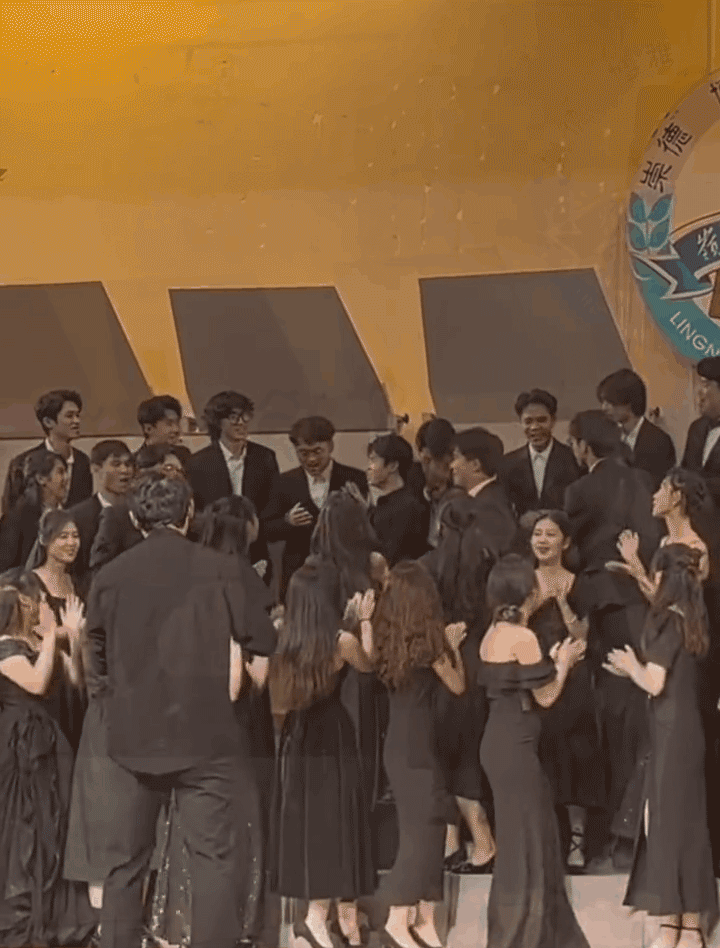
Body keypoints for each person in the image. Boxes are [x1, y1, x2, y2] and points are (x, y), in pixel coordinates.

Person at [85, 473, 251, 948]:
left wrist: (114, 698)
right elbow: (250, 637)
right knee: (213, 859)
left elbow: (94, 648)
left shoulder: (111, 575)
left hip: (133, 735)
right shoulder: (220, 569)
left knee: (125, 861)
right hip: (206, 734)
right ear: (189, 513)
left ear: (136, 518)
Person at [146, 495, 278, 948]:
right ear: (246, 526)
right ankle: (236, 919)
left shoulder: (187, 573)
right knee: (237, 811)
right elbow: (256, 660)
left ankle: (178, 917)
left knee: (192, 811)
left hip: (186, 712)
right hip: (236, 717)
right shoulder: (239, 576)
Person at [604, 544, 718, 948]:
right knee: (688, 825)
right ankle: (688, 927)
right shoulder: (693, 618)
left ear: (662, 577)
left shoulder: (666, 618)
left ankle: (674, 926)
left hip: (670, 732)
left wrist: (630, 666)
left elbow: (654, 682)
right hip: (690, 732)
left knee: (666, 826)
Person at [565, 409, 662, 862]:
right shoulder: (642, 480)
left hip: (603, 610)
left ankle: (610, 832)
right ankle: (636, 830)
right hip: (643, 606)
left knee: (606, 720)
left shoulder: (580, 490)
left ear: (583, 446)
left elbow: (570, 550)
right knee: (641, 719)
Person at [479, 554, 589, 948]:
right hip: (516, 744)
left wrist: (551, 661)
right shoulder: (522, 637)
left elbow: (520, 685)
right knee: (529, 842)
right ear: (526, 592)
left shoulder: (492, 632)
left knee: (522, 839)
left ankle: (518, 931)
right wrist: (564, 663)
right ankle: (525, 935)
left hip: (499, 741)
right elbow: (546, 696)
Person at [269, 559, 376, 948]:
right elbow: (369, 664)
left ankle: (322, 917)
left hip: (296, 737)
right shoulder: (340, 641)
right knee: (335, 824)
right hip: (332, 737)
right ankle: (316, 920)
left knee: (309, 826)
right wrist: (363, 621)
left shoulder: (282, 636)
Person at [367, 560, 466, 948]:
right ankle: (396, 918)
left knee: (428, 826)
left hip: (399, 744)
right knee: (422, 831)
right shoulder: (431, 645)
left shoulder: (388, 642)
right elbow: (457, 686)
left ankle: (424, 920)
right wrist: (453, 648)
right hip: (420, 745)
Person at [0, 569, 95, 947]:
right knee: (27, 826)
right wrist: (55, 636)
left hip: (51, 743)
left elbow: (75, 682)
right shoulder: (5, 647)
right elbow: (36, 683)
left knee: (55, 823)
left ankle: (55, 916)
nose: (44, 607)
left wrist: (71, 637)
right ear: (22, 604)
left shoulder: (38, 641)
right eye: (38, 601)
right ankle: (21, 917)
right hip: (20, 748)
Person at [421, 494, 496, 875]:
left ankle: (467, 842)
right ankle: (470, 842)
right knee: (468, 753)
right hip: (480, 662)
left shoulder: (427, 568)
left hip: (442, 663)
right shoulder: (488, 566)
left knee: (442, 754)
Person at [525, 510, 604, 870]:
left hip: (571, 678)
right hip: (533, 675)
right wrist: (537, 602)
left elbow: (583, 635)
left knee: (575, 756)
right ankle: (542, 841)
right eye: (537, 534)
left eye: (551, 534)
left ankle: (576, 841)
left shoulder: (578, 582)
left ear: (566, 542)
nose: (542, 540)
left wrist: (559, 602)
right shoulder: (523, 580)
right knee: (539, 758)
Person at [263, 416, 368, 602]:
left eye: (317, 451)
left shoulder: (354, 479)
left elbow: (366, 530)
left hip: (343, 575)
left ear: (330, 446)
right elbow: (267, 529)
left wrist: (362, 511)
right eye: (303, 453)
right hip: (299, 576)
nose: (311, 459)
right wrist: (287, 522)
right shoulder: (283, 483)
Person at [187, 391, 279, 581]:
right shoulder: (198, 463)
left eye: (245, 416)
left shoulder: (265, 457)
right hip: (214, 551)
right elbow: (196, 510)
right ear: (218, 422)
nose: (241, 423)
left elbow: (272, 505)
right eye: (234, 417)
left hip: (255, 549)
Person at [88, 443, 186, 574]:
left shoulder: (187, 514)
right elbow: (100, 571)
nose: (176, 475)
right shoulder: (117, 516)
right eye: (169, 468)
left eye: (180, 471)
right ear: (145, 471)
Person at [2, 389, 92, 515]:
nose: (77, 421)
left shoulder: (82, 461)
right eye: (69, 416)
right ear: (48, 422)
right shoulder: (22, 462)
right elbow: (10, 511)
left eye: (78, 415)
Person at [499, 389, 580, 519]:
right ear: (520, 422)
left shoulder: (573, 458)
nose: (534, 427)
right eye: (528, 421)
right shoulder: (507, 463)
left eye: (541, 420)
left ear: (553, 421)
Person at [68, 440, 134, 593]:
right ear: (95, 468)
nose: (124, 470)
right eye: (116, 464)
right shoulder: (77, 516)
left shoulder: (139, 512)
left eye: (128, 464)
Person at [597, 369, 676, 492]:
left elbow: (660, 487)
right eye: (603, 402)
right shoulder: (608, 438)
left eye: (610, 402)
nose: (604, 408)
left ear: (628, 402)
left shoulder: (659, 441)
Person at [449, 427, 517, 557]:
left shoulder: (489, 506)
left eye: (456, 458)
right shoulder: (487, 498)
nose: (452, 465)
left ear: (475, 465)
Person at [0, 451, 69, 572]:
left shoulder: (69, 515)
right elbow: (6, 567)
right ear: (41, 479)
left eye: (66, 472)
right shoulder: (17, 519)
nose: (66, 478)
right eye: (60, 472)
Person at [366, 433, 427, 566]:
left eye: (373, 460)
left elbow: (392, 556)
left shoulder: (408, 506)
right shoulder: (387, 504)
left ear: (393, 466)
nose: (369, 467)